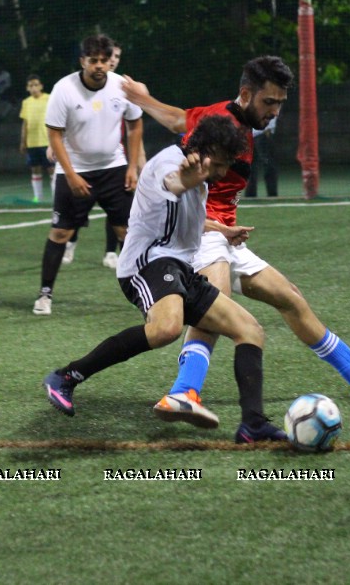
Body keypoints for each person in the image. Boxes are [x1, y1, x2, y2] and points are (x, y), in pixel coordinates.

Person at [122, 55, 350, 404]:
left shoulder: (227, 117)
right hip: (203, 233)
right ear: (246, 94)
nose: (275, 111)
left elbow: (179, 118)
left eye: (280, 103)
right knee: (213, 312)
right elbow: (181, 144)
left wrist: (141, 98)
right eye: (269, 102)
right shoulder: (222, 122)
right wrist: (139, 100)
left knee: (289, 297)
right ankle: (183, 392)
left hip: (226, 236)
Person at [43, 114, 287, 443]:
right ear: (210, 152)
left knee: (250, 331)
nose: (226, 171)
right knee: (166, 329)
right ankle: (66, 376)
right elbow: (170, 184)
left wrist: (222, 229)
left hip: (179, 269)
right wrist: (184, 181)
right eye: (225, 162)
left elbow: (189, 220)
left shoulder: (200, 180)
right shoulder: (170, 166)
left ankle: (253, 424)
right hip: (146, 264)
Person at [32, 34, 143, 316]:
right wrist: (69, 174)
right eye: (93, 60)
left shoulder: (122, 86)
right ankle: (45, 294)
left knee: (126, 232)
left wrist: (131, 166)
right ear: (82, 61)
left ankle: (146, 293)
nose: (99, 66)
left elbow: (134, 124)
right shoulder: (63, 89)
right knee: (60, 232)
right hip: (76, 169)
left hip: (113, 168)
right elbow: (54, 134)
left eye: (104, 61)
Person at [63, 43, 143, 269]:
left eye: (116, 56)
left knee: (117, 211)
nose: (113, 60)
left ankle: (111, 252)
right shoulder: (75, 87)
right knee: (78, 207)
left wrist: (135, 163)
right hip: (82, 163)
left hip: (114, 161)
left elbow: (135, 126)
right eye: (111, 55)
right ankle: (70, 241)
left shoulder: (123, 87)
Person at [19, 74, 53, 203]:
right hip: (32, 142)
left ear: (41, 86)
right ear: (27, 88)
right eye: (30, 85)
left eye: (36, 85)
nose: (33, 88)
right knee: (35, 169)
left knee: (52, 169)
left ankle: (56, 197)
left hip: (46, 141)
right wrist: (23, 141)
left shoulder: (49, 99)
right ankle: (37, 198)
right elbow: (25, 123)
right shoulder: (26, 102)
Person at [245, 115, 278, 197]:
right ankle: (250, 194)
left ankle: (271, 193)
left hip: (262, 132)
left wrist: (269, 127)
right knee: (250, 165)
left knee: (268, 163)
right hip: (251, 133)